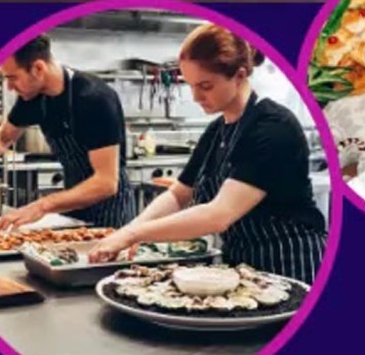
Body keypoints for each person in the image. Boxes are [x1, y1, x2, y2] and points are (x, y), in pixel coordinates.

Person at [90, 24, 326, 283]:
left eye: (205, 86)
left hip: (292, 264)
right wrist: (131, 228)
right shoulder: (218, 130)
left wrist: (134, 235)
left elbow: (218, 215)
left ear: (239, 75)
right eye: (190, 85)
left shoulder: (273, 127)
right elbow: (179, 194)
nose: (196, 96)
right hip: (245, 267)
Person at [0, 34, 136, 229]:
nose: (10, 87)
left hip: (111, 215)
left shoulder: (93, 98)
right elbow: (3, 138)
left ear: (38, 68)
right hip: (73, 207)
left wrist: (42, 206)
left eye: (13, 78)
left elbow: (106, 183)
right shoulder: (34, 98)